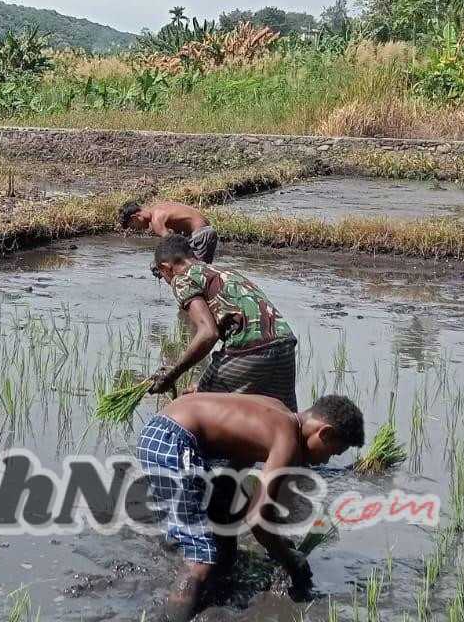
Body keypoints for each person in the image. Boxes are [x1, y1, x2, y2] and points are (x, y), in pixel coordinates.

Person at [136, 392, 365, 621]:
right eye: (332, 452)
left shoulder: (277, 412)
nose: (325, 461)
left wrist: (270, 538)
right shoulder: (288, 441)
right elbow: (257, 521)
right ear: (324, 432)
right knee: (202, 558)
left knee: (223, 533)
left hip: (165, 432)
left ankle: (206, 588)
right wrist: (289, 561)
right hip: (173, 441)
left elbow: (229, 482)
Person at [148, 234, 299, 409]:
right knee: (284, 419)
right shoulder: (224, 272)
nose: (167, 281)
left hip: (248, 349)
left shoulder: (182, 279)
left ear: (166, 268)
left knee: (196, 407)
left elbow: (208, 333)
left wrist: (172, 375)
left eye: (164, 275)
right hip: (284, 344)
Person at [119, 199, 218, 263]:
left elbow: (171, 244)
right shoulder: (159, 206)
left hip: (201, 234)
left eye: (132, 226)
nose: (136, 229)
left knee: (196, 274)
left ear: (135, 217)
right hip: (203, 231)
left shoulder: (156, 220)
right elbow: (178, 233)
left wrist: (157, 262)